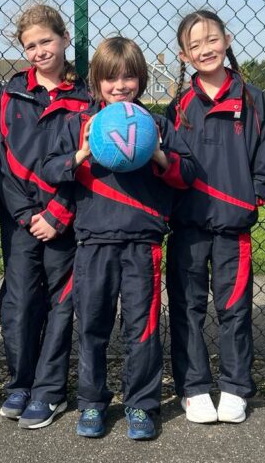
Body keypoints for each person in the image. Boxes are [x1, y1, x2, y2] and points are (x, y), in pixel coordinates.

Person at [41, 36, 195, 440]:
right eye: (111, 78)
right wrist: (82, 153)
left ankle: (141, 405)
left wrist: (159, 155)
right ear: (97, 81)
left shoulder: (157, 125)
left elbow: (187, 175)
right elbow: (48, 171)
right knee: (92, 324)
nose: (120, 85)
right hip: (92, 242)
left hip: (142, 244)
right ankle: (92, 403)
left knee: (141, 327)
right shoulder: (80, 126)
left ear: (141, 79)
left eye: (129, 77)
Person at [165, 10, 265, 424]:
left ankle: (234, 387)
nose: (205, 49)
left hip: (233, 228)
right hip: (188, 229)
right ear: (183, 55)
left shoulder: (252, 98)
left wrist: (255, 198)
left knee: (234, 310)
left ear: (227, 39)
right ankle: (193, 389)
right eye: (195, 45)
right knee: (187, 308)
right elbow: (170, 163)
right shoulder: (179, 106)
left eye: (212, 39)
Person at [0, 5, 92, 429]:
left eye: (46, 41)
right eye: (30, 45)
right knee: (18, 302)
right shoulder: (11, 93)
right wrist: (25, 212)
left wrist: (57, 211)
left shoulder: (86, 98)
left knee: (60, 303)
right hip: (20, 220)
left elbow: (89, 165)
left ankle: (50, 390)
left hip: (64, 220)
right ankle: (21, 382)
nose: (39, 51)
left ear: (65, 39)